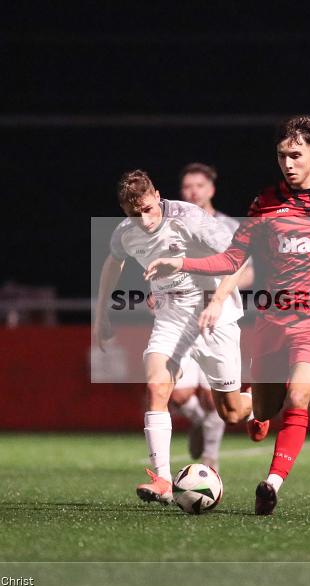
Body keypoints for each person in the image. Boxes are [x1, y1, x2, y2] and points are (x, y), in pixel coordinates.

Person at [145, 115, 310, 515]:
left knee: (298, 396)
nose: (288, 163)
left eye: (296, 155)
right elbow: (231, 260)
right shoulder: (265, 203)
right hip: (274, 320)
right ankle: (289, 397)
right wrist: (181, 263)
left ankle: (271, 484)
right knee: (260, 409)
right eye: (282, 155)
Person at [92, 169, 253, 504]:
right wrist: (101, 313)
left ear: (157, 196)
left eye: (148, 209)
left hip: (215, 316)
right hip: (171, 318)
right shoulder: (125, 233)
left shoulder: (189, 218)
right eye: (134, 214)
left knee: (231, 412)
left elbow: (237, 258)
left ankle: (258, 405)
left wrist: (217, 300)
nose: (144, 220)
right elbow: (113, 262)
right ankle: (163, 480)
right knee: (157, 387)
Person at [169, 163, 254, 471]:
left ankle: (211, 457)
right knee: (178, 394)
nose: (193, 191)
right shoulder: (172, 225)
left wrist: (216, 291)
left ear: (211, 189)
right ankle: (200, 423)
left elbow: (247, 274)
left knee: (213, 398)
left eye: (199, 186)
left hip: (217, 316)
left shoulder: (229, 226)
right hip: (179, 314)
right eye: (187, 186)